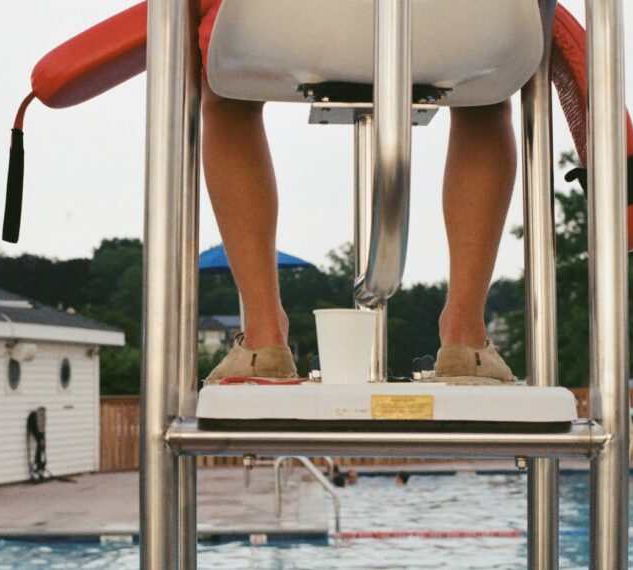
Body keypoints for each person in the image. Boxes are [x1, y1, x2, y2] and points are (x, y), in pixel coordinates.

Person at [199, 3, 516, 387]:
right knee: (487, 88)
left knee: (227, 89)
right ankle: (466, 338)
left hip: (286, 26)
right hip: (451, 24)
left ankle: (262, 339)